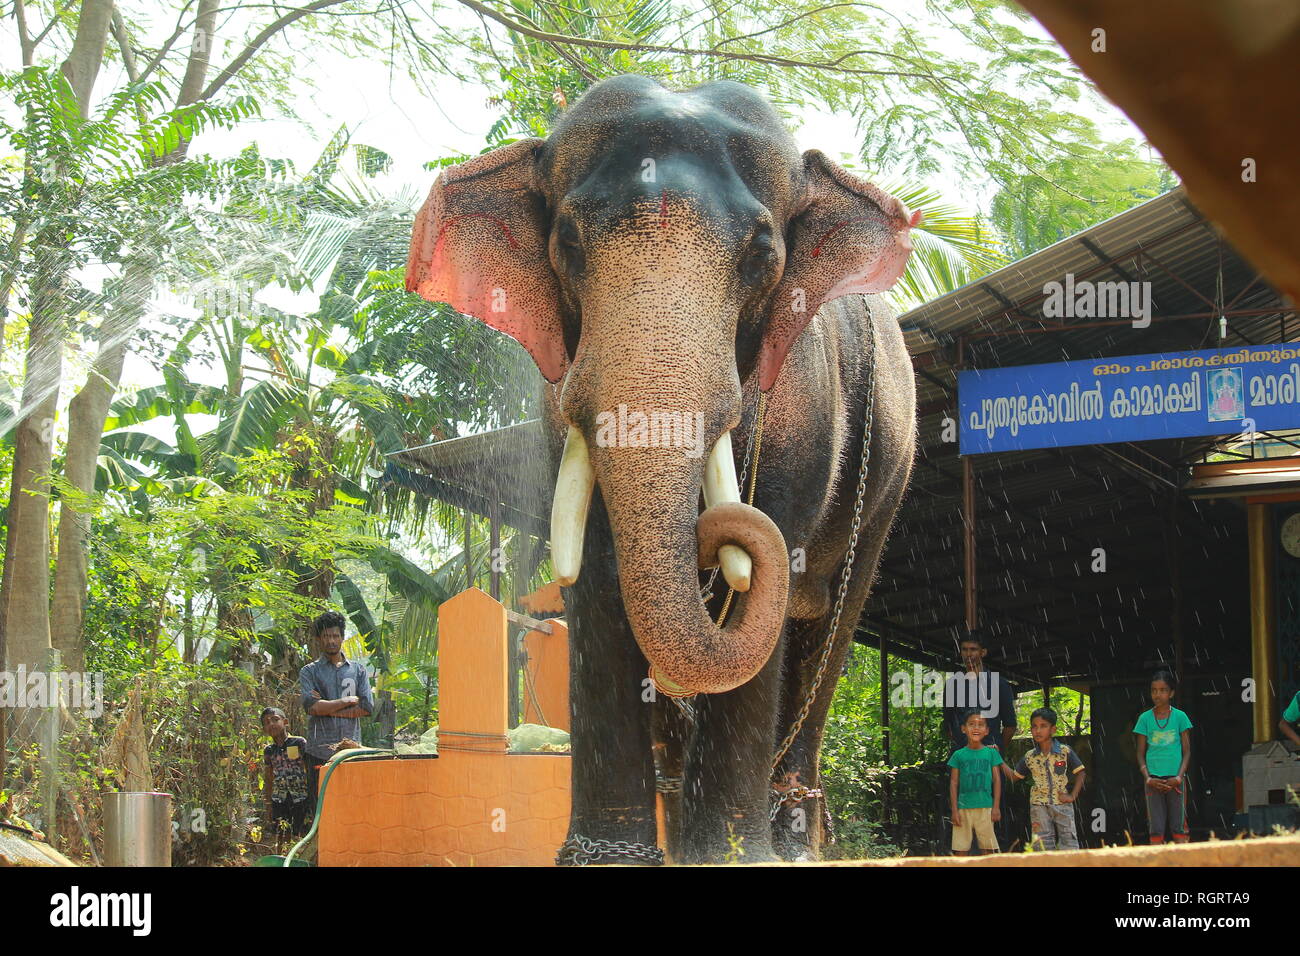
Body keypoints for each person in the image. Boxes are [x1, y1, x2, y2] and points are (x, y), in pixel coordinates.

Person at [299, 610, 373, 807]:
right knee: (320, 807)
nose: (331, 641)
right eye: (326, 636)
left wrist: (326, 706)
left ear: (342, 637)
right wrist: (347, 701)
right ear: (318, 639)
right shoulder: (309, 671)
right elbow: (311, 707)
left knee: (352, 805)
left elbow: (367, 707)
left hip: (351, 750)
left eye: (335, 636)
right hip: (319, 751)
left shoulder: (358, 670)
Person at [943, 632, 1017, 781]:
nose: (968, 654)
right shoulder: (952, 685)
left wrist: (996, 751)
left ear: (983, 652)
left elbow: (1010, 725)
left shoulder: (999, 684)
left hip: (990, 761)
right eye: (964, 649)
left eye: (973, 649)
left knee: (992, 795)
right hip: (961, 761)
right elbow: (948, 725)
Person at [1011, 706, 1085, 850]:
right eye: (1034, 726)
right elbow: (1014, 777)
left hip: (1062, 803)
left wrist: (1072, 796)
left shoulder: (1064, 751)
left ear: (1053, 729)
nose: (1038, 730)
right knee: (1042, 845)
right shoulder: (1029, 756)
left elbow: (1081, 772)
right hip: (1038, 806)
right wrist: (998, 760)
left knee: (1069, 842)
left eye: (1043, 726)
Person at [1134, 670, 1192, 845]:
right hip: (1153, 780)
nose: (1157, 694)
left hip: (1176, 780)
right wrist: (1148, 778)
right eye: (1154, 690)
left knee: (1179, 827)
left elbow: (1187, 751)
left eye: (1163, 690)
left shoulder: (1180, 717)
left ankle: (1182, 858)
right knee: (1155, 829)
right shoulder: (1144, 718)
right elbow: (1140, 753)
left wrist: (1178, 777)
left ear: (1171, 693)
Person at [947, 709, 1003, 855]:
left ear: (987, 730)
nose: (976, 728)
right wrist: (954, 810)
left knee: (988, 849)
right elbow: (953, 783)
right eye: (971, 724)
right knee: (961, 849)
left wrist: (996, 806)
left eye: (980, 724)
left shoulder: (991, 753)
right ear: (963, 729)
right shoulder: (958, 755)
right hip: (963, 808)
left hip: (986, 807)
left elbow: (997, 780)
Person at [261, 707, 311, 838]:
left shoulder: (299, 742)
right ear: (264, 729)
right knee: (281, 834)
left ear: (285, 722)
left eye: (275, 720)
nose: (271, 724)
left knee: (301, 834)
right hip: (279, 798)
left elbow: (309, 769)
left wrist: (312, 797)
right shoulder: (269, 750)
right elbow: (269, 777)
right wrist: (268, 803)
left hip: (301, 797)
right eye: (267, 722)